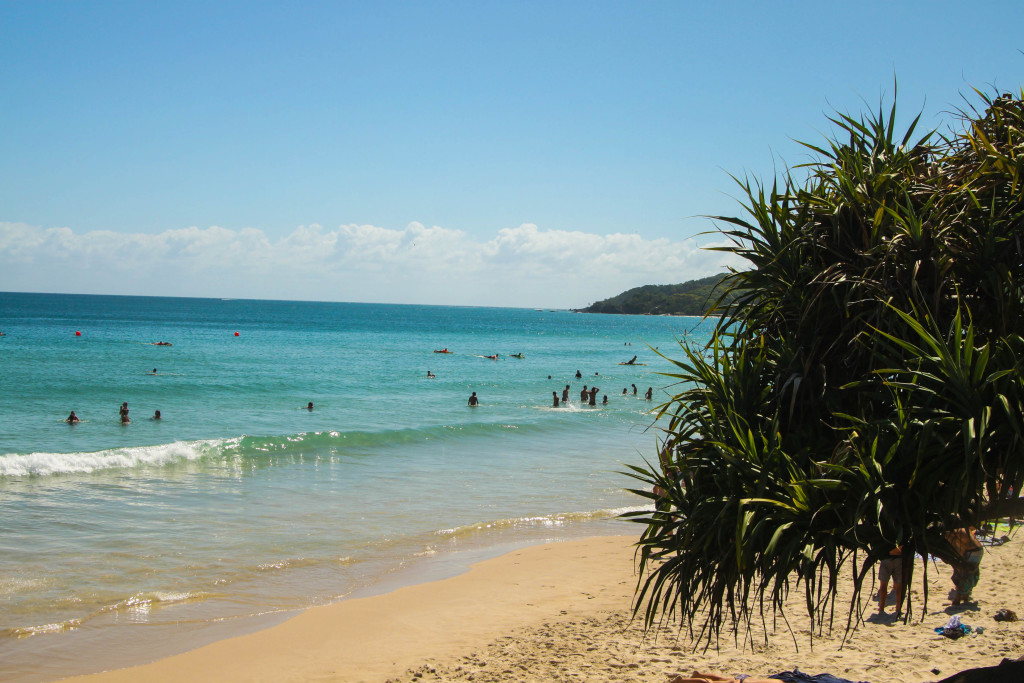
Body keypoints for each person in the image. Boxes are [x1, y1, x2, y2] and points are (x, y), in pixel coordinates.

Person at [946, 527, 984, 604]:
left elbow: (956, 548)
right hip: (979, 549)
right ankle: (965, 596)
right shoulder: (961, 528)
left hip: (971, 551)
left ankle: (958, 599)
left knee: (962, 574)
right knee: (970, 572)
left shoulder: (949, 533)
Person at [878, 547, 904, 615]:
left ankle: (881, 607)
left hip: (886, 557)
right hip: (899, 557)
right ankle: (898, 608)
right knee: (899, 586)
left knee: (883, 585)